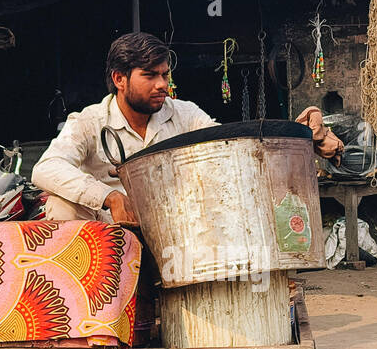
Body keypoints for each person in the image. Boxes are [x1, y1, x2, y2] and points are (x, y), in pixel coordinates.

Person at [32, 32, 342, 223]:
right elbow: (46, 168)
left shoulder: (183, 114)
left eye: (165, 75)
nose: (162, 85)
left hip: (176, 224)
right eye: (150, 76)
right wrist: (109, 198)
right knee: (60, 204)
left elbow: (226, 143)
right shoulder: (89, 122)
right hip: (112, 236)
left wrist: (292, 133)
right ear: (119, 79)